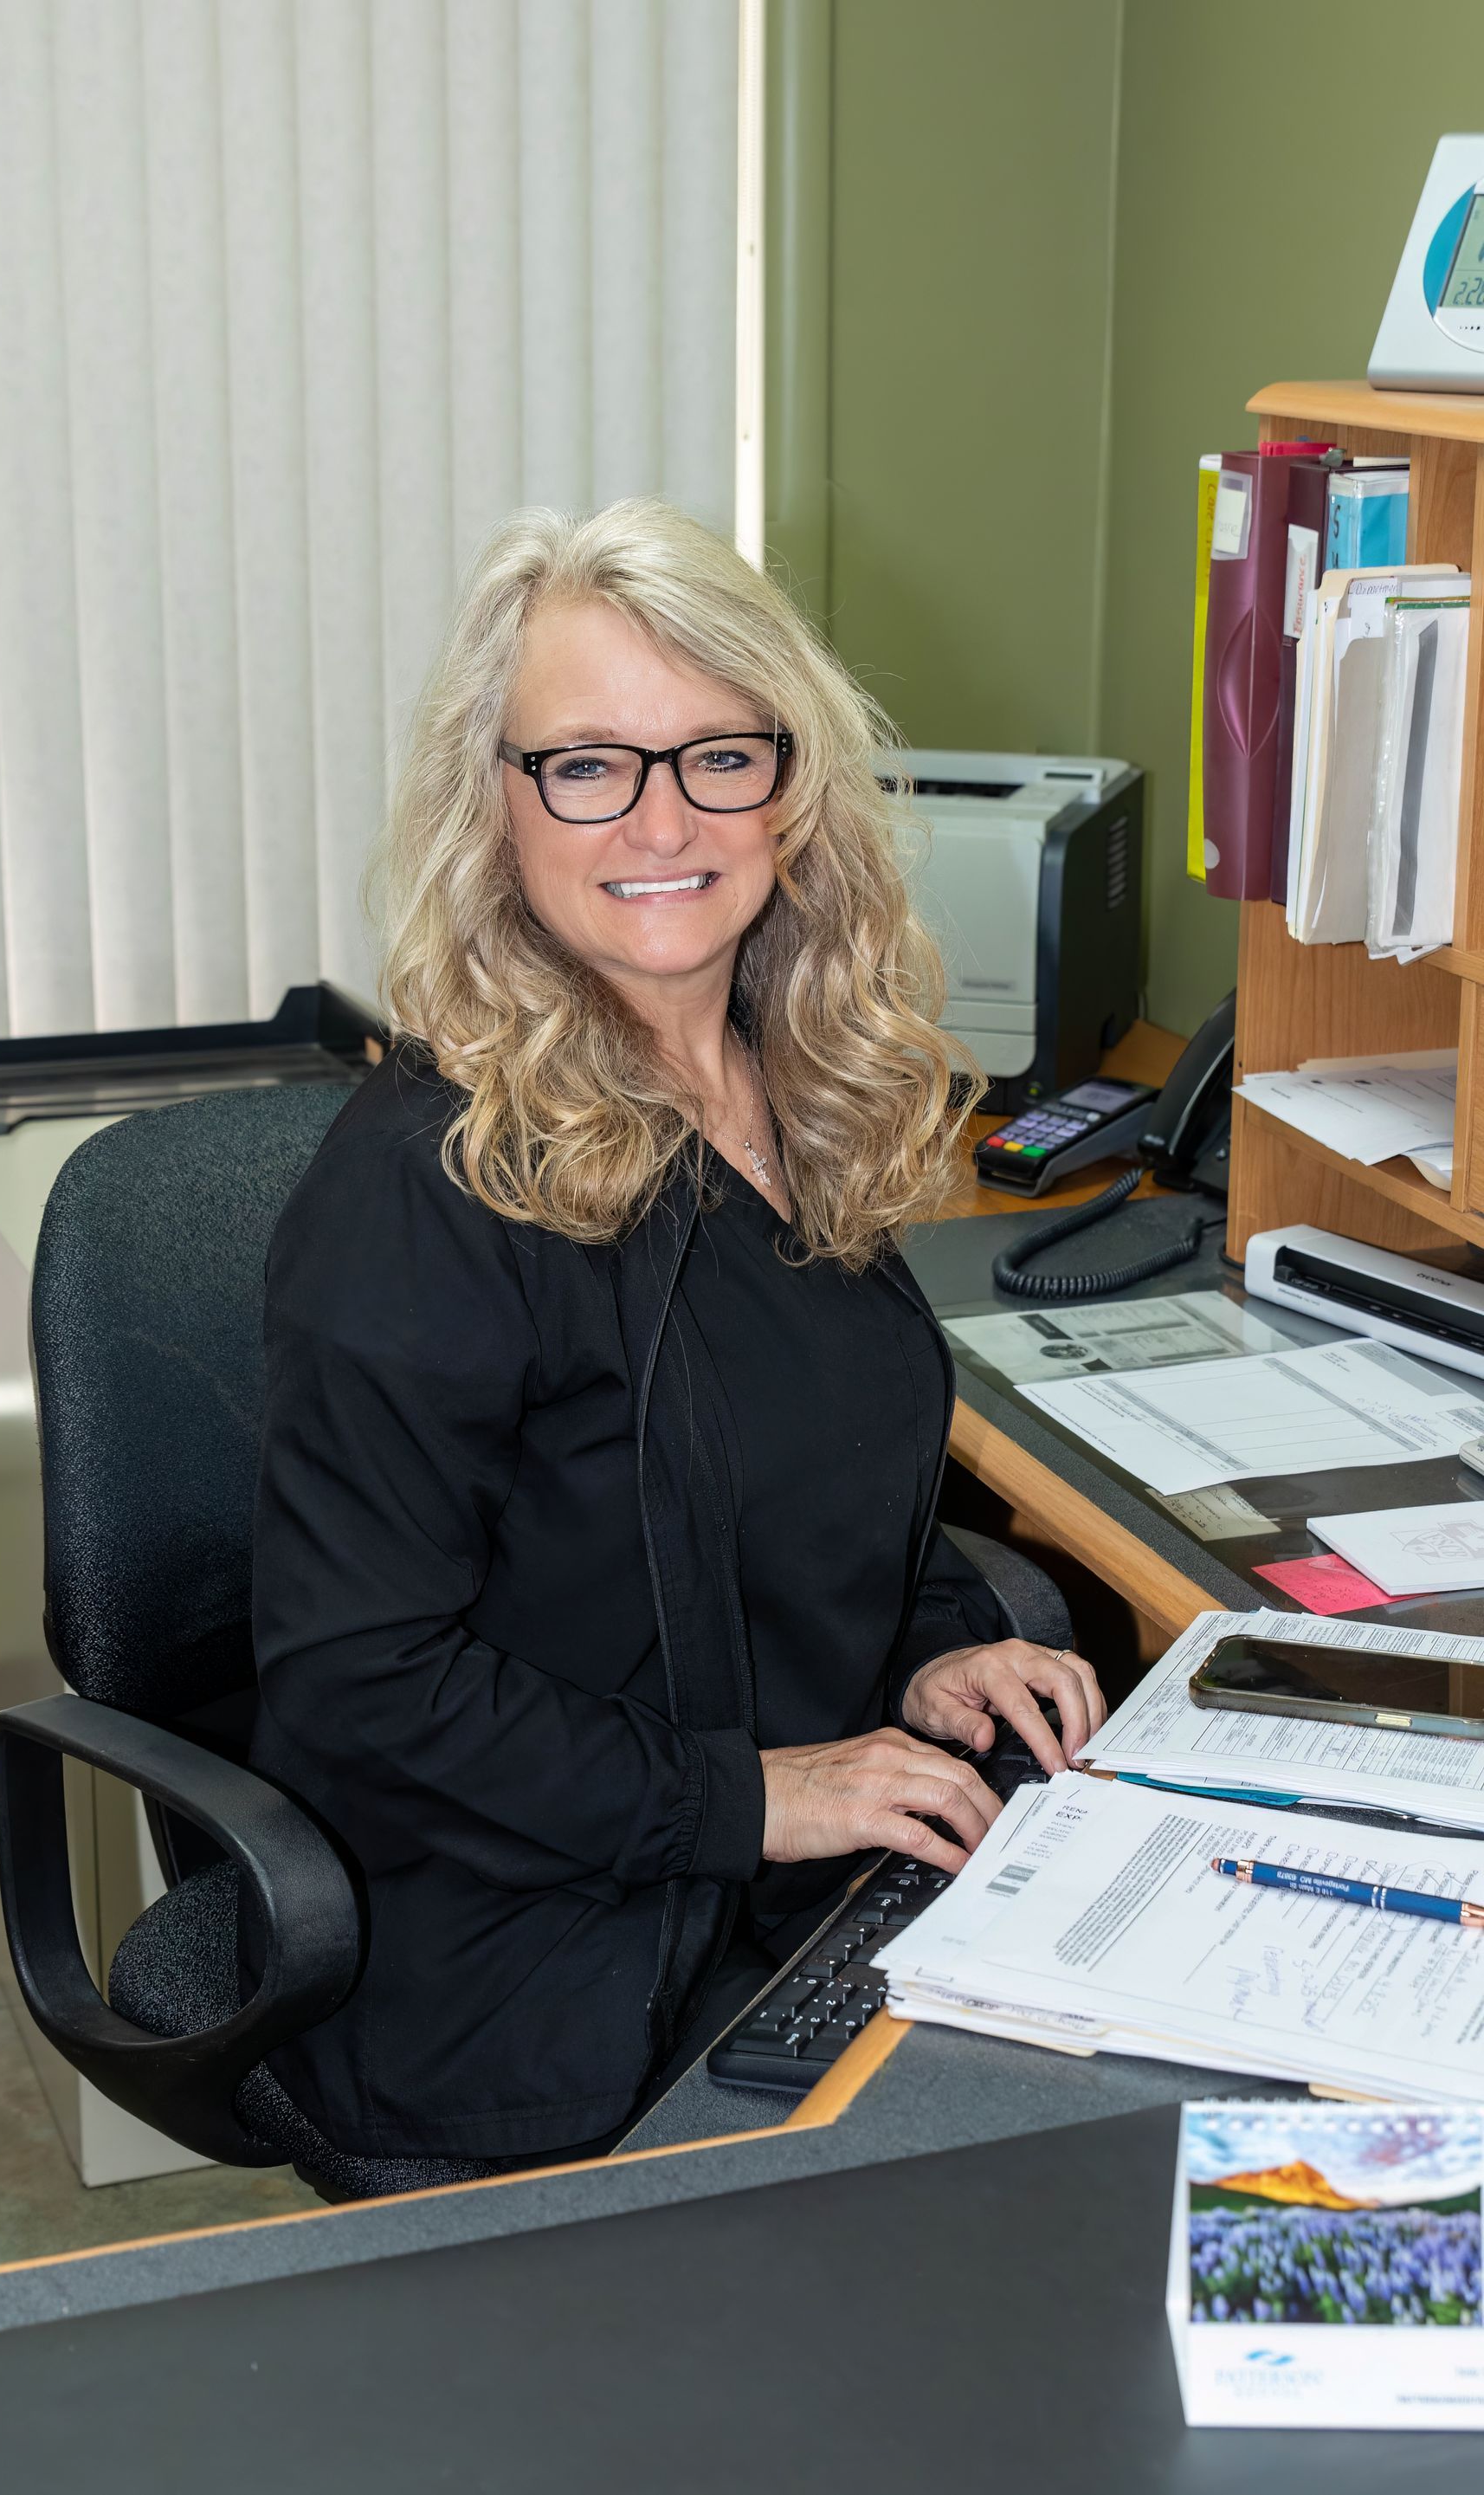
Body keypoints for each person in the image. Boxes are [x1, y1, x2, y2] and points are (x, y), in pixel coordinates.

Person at [248, 500, 1106, 2175]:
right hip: (545, 1961)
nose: (661, 815)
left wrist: (931, 1632)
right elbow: (357, 1681)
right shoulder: (427, 1179)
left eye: (718, 754)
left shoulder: (797, 1092)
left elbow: (775, 1464)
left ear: (791, 789)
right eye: (588, 763)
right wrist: (759, 1798)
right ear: (496, 803)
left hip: (778, 1876)